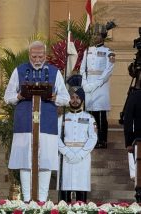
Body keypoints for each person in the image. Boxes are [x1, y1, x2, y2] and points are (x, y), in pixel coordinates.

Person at [4, 41, 70, 202]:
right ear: (29, 55)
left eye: (40, 56)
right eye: (34, 56)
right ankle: (27, 199)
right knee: (24, 160)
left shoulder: (54, 72)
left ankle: (42, 199)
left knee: (46, 160)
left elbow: (66, 98)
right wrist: (19, 96)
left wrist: (55, 97)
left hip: (47, 123)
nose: (37, 59)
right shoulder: (19, 71)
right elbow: (8, 97)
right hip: (24, 124)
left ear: (45, 56)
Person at [58, 75, 97, 203]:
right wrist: (67, 152)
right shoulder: (61, 118)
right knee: (64, 191)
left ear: (82, 100)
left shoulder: (89, 118)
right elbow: (57, 138)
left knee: (81, 189)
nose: (75, 100)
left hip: (83, 158)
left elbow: (93, 138)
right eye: (72, 98)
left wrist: (80, 154)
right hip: (65, 158)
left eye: (77, 98)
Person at [80, 23, 116, 149]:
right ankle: (91, 139)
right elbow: (82, 68)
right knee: (90, 114)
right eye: (93, 34)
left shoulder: (109, 52)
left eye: (97, 34)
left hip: (101, 87)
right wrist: (84, 83)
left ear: (103, 36)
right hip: (88, 86)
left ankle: (102, 140)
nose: (95, 37)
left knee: (100, 114)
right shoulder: (87, 51)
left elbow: (108, 70)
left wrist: (96, 83)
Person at [123, 69, 141, 181]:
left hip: (138, 139)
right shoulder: (135, 96)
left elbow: (127, 120)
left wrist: (129, 142)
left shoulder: (134, 96)